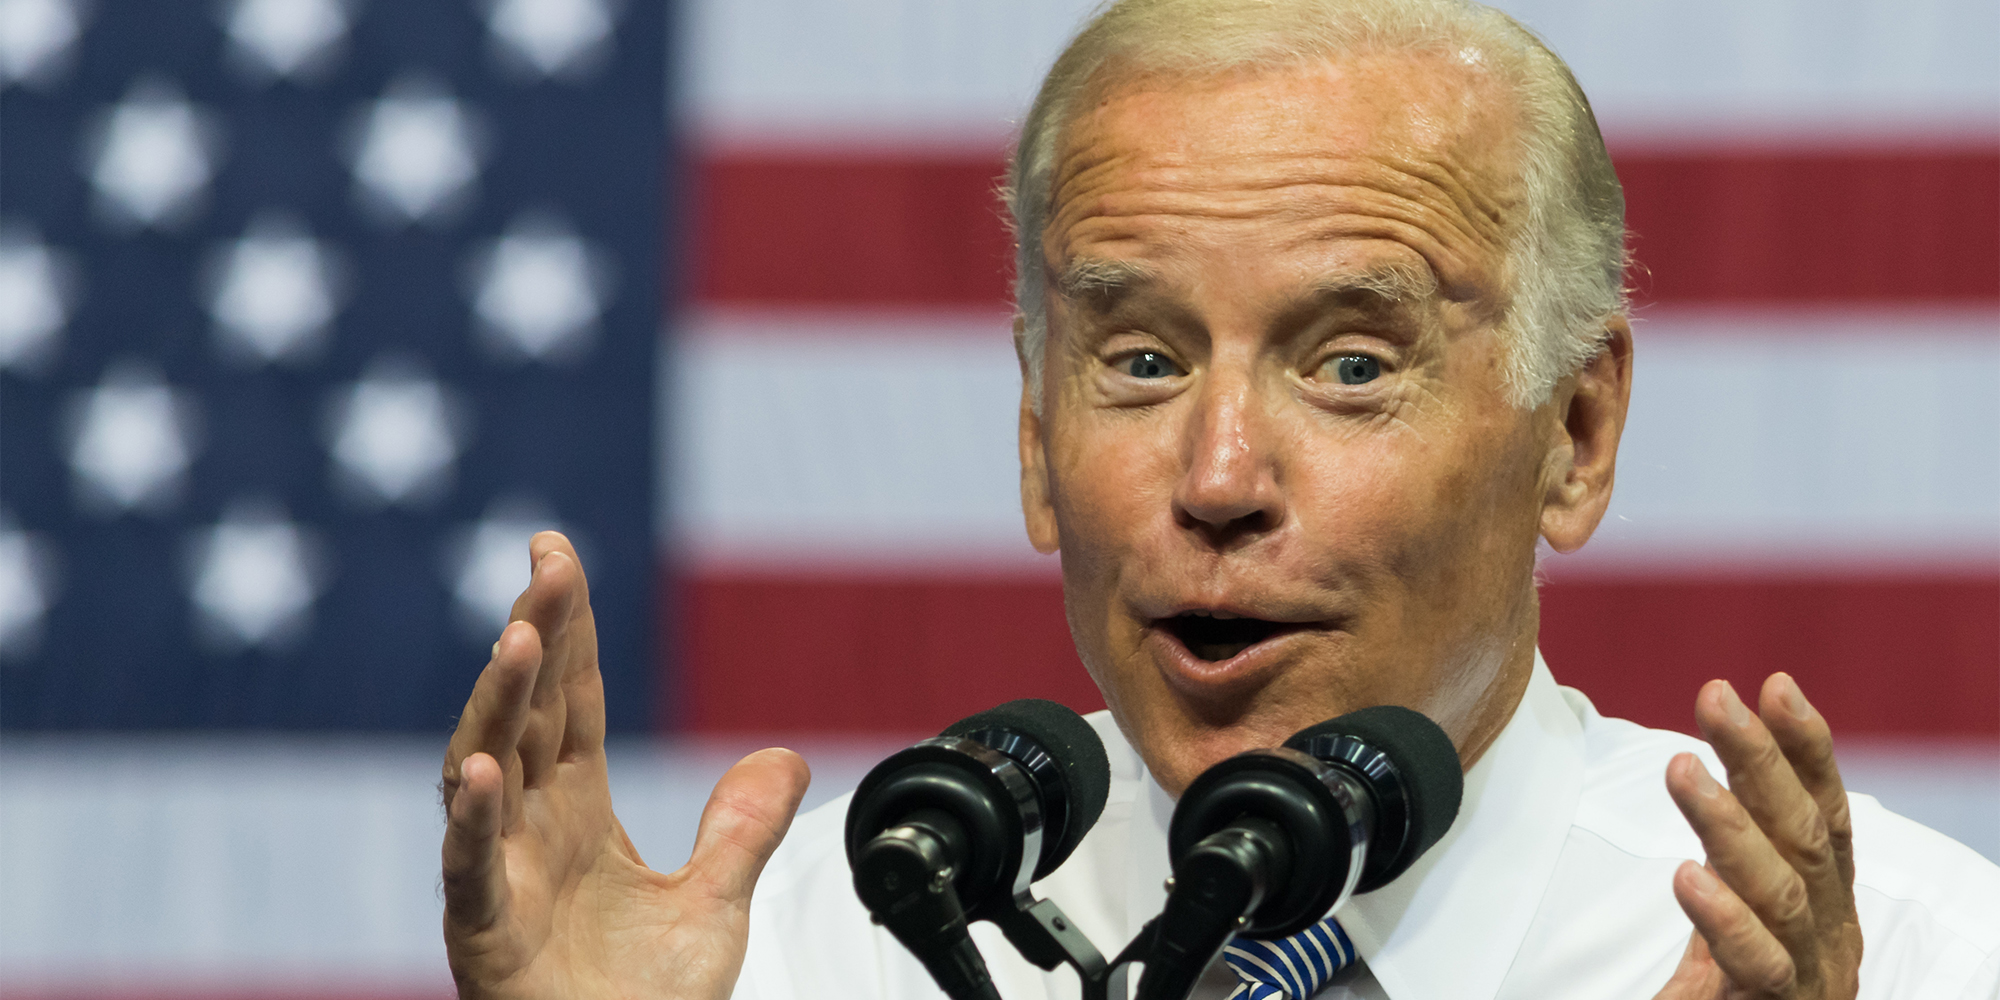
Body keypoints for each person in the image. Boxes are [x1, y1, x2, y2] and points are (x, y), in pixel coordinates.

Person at [436, 0, 2000, 997]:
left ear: (1575, 432)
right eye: (1135, 362)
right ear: (1036, 443)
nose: (1221, 478)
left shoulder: (1914, 960)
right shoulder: (815, 948)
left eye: (1349, 367)